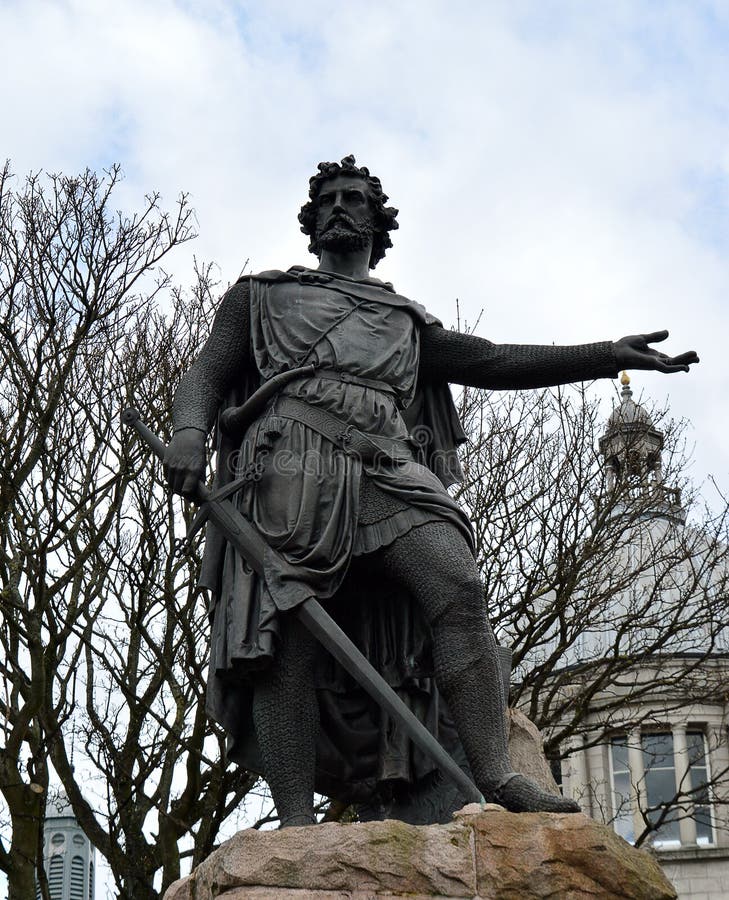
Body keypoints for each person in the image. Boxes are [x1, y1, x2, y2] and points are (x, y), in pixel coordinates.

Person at [164, 156, 698, 827]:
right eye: (326, 199)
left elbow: (496, 361)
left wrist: (605, 354)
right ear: (309, 221)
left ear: (377, 222)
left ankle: (497, 775)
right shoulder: (259, 297)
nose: (338, 206)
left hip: (388, 466)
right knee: (286, 633)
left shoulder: (404, 322)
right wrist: (189, 432)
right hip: (290, 472)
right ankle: (296, 821)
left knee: (458, 588)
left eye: (353, 198)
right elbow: (205, 372)